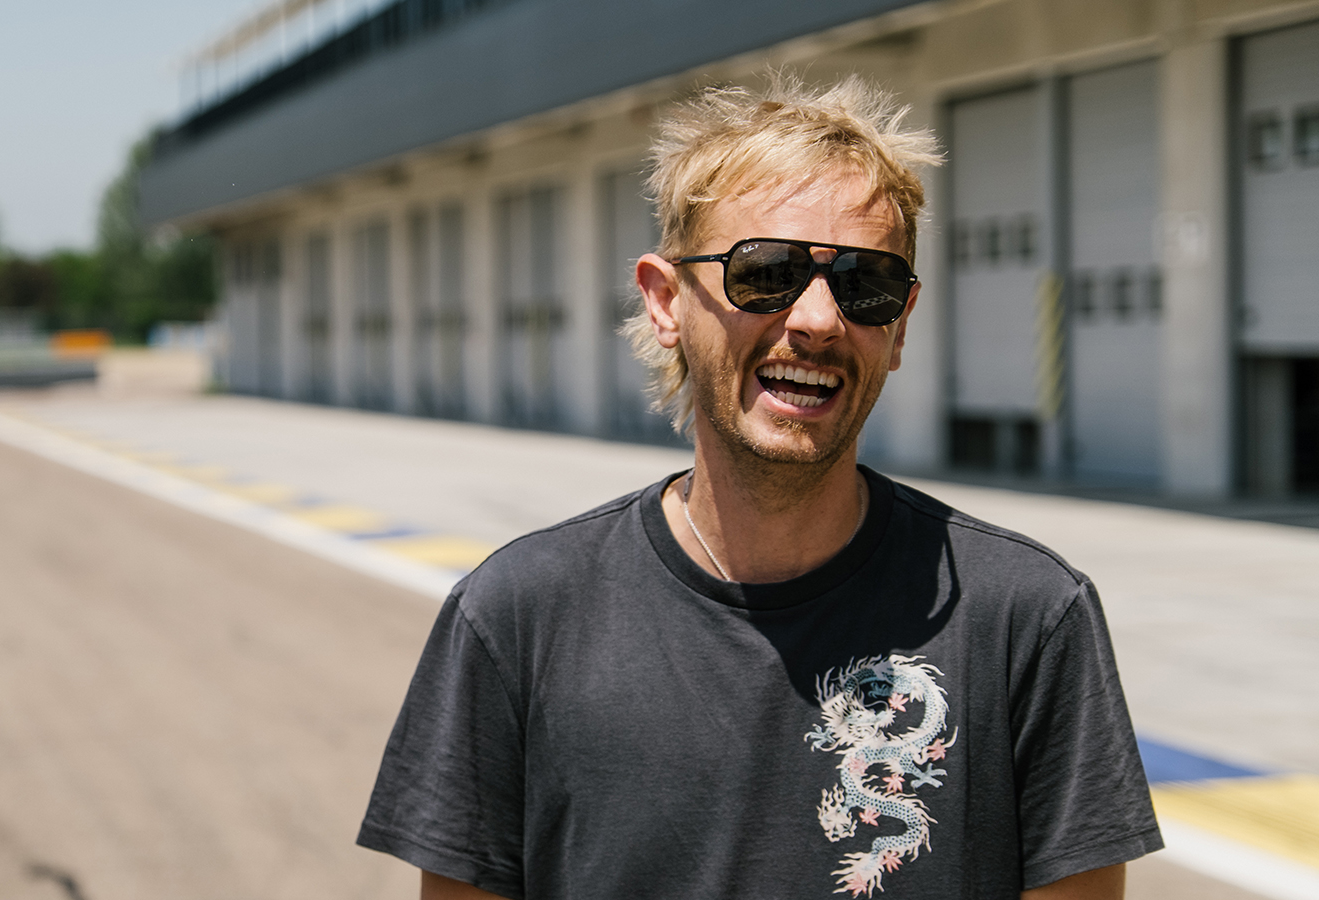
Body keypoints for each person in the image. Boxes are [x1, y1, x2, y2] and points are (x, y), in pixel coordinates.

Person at [358, 76, 1160, 899]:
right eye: (766, 272)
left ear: (901, 327)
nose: (816, 319)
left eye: (866, 284)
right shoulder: (516, 617)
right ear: (666, 300)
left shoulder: (1026, 619)